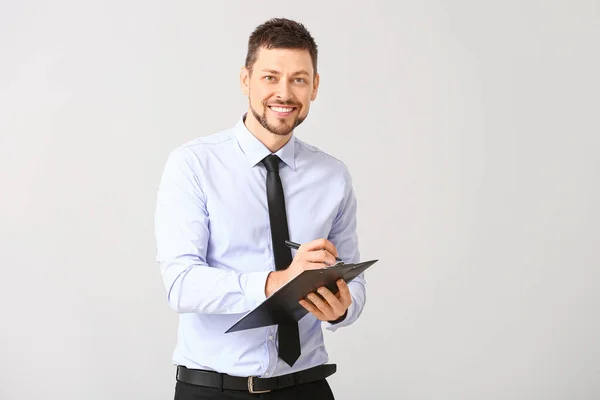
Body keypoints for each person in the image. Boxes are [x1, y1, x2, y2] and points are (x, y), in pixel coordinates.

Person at [154, 17, 367, 399]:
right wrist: (277, 281)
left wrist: (340, 308)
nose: (284, 93)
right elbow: (181, 284)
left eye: (299, 79)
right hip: (215, 389)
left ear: (315, 86)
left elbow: (354, 283)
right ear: (245, 80)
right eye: (271, 77)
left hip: (307, 386)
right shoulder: (194, 164)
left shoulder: (333, 176)